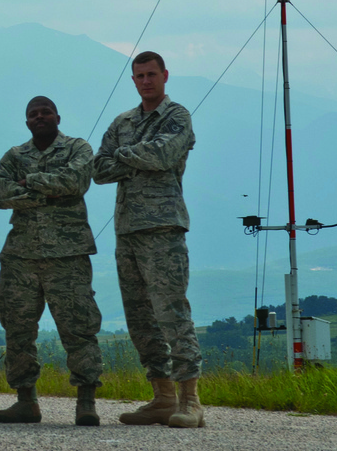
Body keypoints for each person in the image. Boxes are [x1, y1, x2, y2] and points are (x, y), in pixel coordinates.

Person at [93, 51, 204, 429]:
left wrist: (126, 156)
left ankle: (190, 399)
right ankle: (161, 396)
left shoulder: (176, 116)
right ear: (133, 79)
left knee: (172, 314)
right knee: (140, 318)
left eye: (151, 74)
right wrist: (138, 156)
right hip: (127, 231)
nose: (145, 81)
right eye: (139, 75)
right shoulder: (123, 121)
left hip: (163, 228)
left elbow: (164, 153)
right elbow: (100, 168)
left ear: (165, 75)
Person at [0, 96, 103, 426]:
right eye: (33, 115)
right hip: (21, 257)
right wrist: (52, 189)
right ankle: (26, 401)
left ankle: (86, 402)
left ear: (57, 116)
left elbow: (77, 181)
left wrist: (31, 182)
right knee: (18, 329)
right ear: (27, 122)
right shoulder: (14, 155)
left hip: (67, 255)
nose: (39, 117)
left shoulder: (77, 149)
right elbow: (0, 195)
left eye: (45, 113)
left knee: (78, 328)